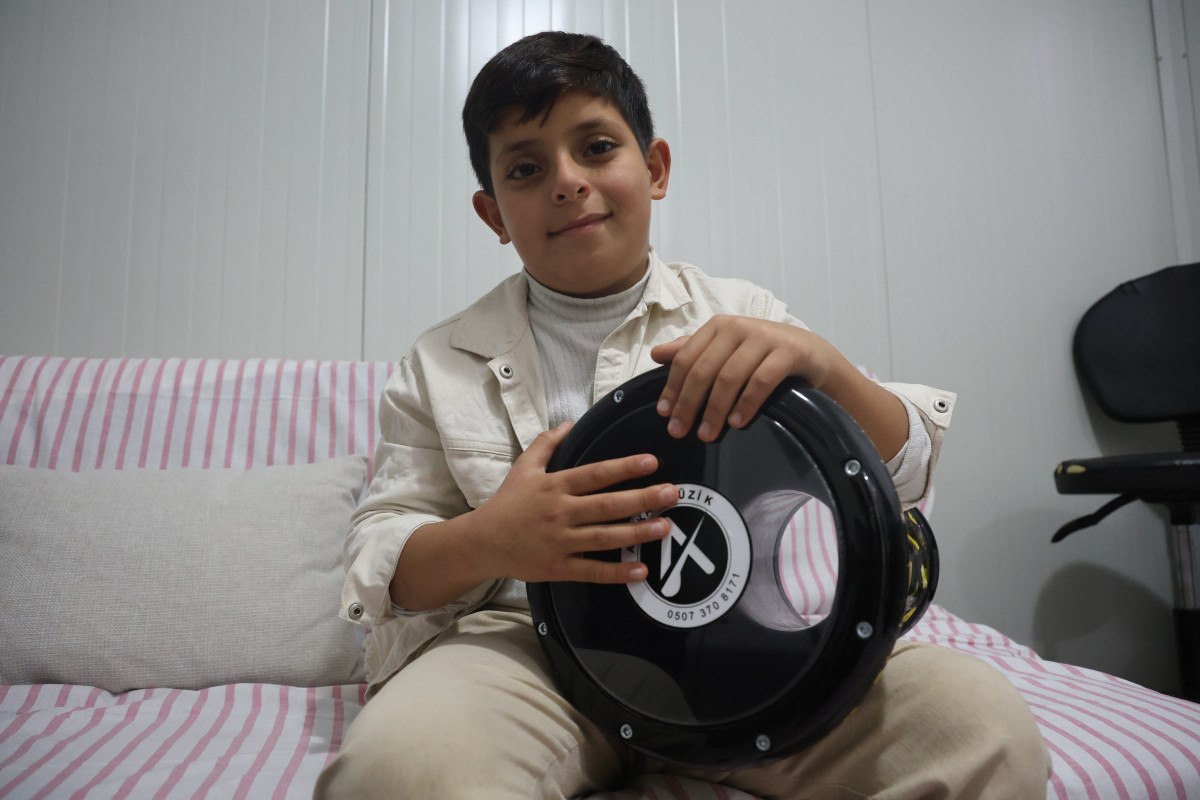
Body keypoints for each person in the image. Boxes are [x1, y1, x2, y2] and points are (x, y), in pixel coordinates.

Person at [315, 30, 1050, 800]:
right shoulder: (441, 362)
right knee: (398, 770)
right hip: (528, 657)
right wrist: (493, 538)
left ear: (656, 168)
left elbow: (901, 476)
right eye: (526, 169)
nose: (567, 182)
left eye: (597, 147)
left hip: (748, 652)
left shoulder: (745, 317)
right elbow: (383, 562)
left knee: (981, 729)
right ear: (493, 213)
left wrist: (826, 365)